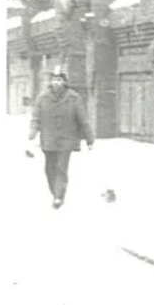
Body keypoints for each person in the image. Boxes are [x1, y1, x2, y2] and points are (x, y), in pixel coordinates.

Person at [28, 64, 93, 209]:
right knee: (49, 169)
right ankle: (55, 191)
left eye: (59, 79)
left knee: (61, 168)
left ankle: (59, 196)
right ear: (51, 81)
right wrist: (32, 135)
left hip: (67, 140)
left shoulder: (74, 98)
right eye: (54, 80)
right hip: (48, 140)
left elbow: (83, 120)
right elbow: (36, 119)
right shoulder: (42, 98)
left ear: (64, 81)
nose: (57, 82)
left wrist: (89, 138)